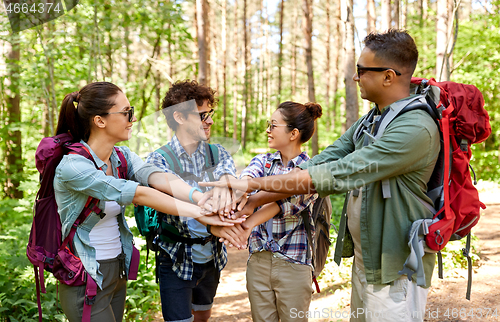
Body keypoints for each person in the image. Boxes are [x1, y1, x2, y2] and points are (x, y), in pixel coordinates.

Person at [201, 29, 440, 321]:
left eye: (362, 70)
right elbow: (318, 164)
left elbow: (334, 173)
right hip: (369, 262)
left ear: (388, 76)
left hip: (396, 265)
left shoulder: (414, 128)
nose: (356, 77)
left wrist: (249, 185)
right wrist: (254, 200)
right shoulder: (373, 119)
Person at [53, 82, 239, 322]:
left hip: (116, 269)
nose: (132, 119)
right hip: (85, 272)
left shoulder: (122, 156)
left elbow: (157, 177)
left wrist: (200, 197)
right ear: (100, 120)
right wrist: (201, 211)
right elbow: (139, 193)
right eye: (126, 113)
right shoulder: (74, 167)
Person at [213, 101, 321, 322]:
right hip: (259, 261)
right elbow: (249, 175)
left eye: (273, 125)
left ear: (293, 133)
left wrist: (247, 222)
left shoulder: (312, 171)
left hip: (294, 262)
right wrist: (243, 187)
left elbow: (284, 204)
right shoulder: (263, 161)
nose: (267, 130)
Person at [145, 80, 240, 322]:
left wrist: (229, 186)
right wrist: (206, 200)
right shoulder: (159, 160)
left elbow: (229, 178)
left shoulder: (218, 153)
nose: (209, 120)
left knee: (203, 314)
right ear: (179, 116)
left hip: (212, 256)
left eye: (210, 113)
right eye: (202, 115)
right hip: (175, 256)